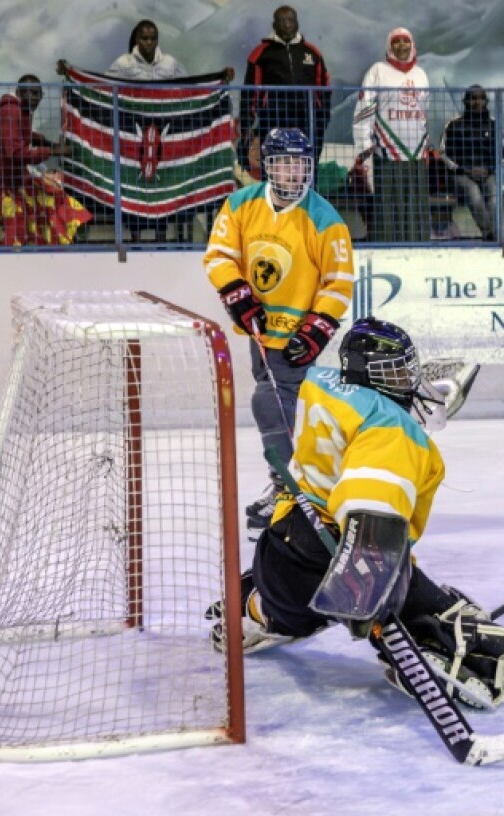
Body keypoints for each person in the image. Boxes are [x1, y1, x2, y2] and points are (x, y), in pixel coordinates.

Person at [211, 318, 504, 709]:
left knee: (290, 610)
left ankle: (253, 606)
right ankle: (425, 656)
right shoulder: (392, 428)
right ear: (370, 373)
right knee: (457, 631)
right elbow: (371, 506)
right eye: (395, 371)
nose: (405, 379)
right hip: (331, 558)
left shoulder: (323, 384)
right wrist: (374, 592)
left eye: (407, 368)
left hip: (280, 550)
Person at [203, 128, 354, 532]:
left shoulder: (324, 219)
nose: (293, 172)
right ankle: (296, 486)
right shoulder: (240, 204)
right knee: (286, 409)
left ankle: (292, 492)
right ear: (268, 167)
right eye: (284, 163)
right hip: (259, 327)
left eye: (300, 164)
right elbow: (218, 255)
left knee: (272, 404)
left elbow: (339, 282)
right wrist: (237, 294)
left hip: (295, 335)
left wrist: (316, 330)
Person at [0, 75, 86, 246]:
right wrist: (52, 150)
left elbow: (23, 135)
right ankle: (13, 262)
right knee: (16, 224)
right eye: (29, 93)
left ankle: (60, 243)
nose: (34, 98)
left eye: (37, 94)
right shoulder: (11, 111)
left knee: (54, 198)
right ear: (19, 92)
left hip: (15, 179)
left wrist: (48, 143)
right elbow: (14, 152)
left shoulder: (23, 110)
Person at [352, 27, 431, 242]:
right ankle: (387, 246)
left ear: (412, 44)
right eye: (396, 41)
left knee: (415, 204)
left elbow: (424, 111)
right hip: (386, 151)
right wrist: (364, 144)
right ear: (389, 45)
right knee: (388, 203)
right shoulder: (377, 71)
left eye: (406, 41)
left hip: (415, 151)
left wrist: (425, 145)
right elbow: (364, 108)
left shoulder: (421, 74)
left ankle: (417, 244)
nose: (401, 46)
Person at [241, 6, 331, 163]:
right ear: (274, 25)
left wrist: (322, 118)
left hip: (307, 120)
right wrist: (246, 123)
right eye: (282, 21)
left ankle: (310, 187)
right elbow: (250, 91)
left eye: (290, 20)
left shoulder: (312, 53)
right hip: (273, 119)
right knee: (273, 165)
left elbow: (324, 87)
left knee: (308, 165)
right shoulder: (261, 54)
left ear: (297, 23)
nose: (287, 24)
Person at [440, 85, 504, 242]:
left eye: (481, 98)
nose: (477, 102)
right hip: (461, 175)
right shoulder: (453, 124)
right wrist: (466, 170)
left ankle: (496, 234)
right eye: (473, 98)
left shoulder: (494, 125)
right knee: (473, 192)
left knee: (494, 195)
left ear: (486, 101)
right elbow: (444, 154)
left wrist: (488, 169)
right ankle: (492, 234)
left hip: (487, 173)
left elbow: (502, 156)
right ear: (465, 102)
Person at [106, 20, 188, 80]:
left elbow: (187, 88)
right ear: (137, 40)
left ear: (157, 40)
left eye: (153, 39)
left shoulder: (170, 62)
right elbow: (106, 89)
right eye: (144, 39)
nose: (149, 42)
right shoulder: (123, 63)